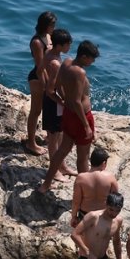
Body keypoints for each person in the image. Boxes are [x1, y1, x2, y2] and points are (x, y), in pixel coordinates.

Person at [39, 39, 99, 193]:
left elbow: (57, 85)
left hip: (68, 114)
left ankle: (45, 184)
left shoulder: (65, 63)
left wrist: (65, 99)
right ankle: (83, 193)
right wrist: (86, 125)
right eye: (92, 58)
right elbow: (78, 101)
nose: (93, 62)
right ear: (85, 57)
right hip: (81, 116)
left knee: (62, 150)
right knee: (83, 156)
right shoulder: (80, 72)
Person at [39, 27, 74, 180]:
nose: (69, 47)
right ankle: (55, 170)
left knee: (59, 135)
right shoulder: (55, 63)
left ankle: (62, 166)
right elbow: (50, 90)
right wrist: (62, 102)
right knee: (54, 138)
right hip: (54, 104)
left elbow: (40, 70)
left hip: (53, 102)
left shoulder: (50, 52)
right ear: (60, 45)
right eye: (68, 45)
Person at [25, 11, 56, 155]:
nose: (54, 27)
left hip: (49, 77)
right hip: (38, 78)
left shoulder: (48, 36)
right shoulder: (37, 42)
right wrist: (46, 85)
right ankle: (31, 143)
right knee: (36, 110)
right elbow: (40, 66)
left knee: (48, 109)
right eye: (52, 25)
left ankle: (47, 135)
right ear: (46, 25)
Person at [71, 146, 119, 227]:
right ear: (104, 163)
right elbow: (115, 200)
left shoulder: (81, 178)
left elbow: (76, 201)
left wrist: (74, 217)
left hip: (85, 215)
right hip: (103, 215)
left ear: (91, 161)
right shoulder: (110, 178)